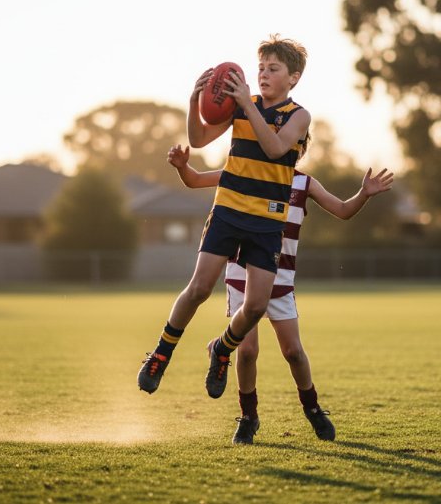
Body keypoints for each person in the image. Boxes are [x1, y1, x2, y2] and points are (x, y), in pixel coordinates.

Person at [165, 142, 394, 444]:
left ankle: (312, 410)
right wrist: (182, 167)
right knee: (247, 351)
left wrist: (364, 193)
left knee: (293, 353)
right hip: (241, 274)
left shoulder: (304, 183)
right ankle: (248, 418)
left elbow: (342, 210)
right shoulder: (243, 172)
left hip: (280, 278)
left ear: (300, 149)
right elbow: (195, 180)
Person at [138, 35, 312, 401]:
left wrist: (248, 106)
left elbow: (275, 147)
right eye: (260, 67)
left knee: (255, 307)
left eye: (273, 69)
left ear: (293, 78)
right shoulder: (242, 104)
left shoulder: (298, 116)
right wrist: (192, 101)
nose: (263, 74)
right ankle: (161, 353)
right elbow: (199, 139)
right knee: (199, 288)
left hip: (266, 222)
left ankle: (221, 349)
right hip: (229, 211)